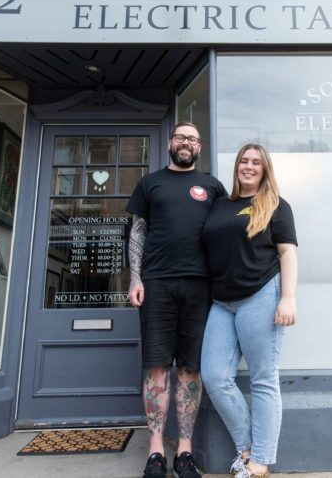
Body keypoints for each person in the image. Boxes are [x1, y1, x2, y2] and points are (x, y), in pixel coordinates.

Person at [127, 121, 228, 478]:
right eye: (180, 137)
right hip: (156, 284)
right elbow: (137, 233)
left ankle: (184, 451)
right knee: (156, 367)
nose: (186, 142)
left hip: (202, 288)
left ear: (198, 147)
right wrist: (135, 278)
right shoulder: (150, 183)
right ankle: (156, 451)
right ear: (170, 142)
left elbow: (226, 234)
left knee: (191, 369)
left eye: (192, 138)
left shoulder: (213, 187)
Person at [200, 144, 299, 478]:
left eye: (256, 162)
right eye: (244, 160)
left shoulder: (276, 205)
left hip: (261, 295)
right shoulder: (219, 205)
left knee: (263, 379)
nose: (249, 166)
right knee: (214, 376)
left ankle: (259, 462)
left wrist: (288, 297)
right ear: (237, 166)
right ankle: (245, 448)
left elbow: (287, 253)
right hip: (221, 302)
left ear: (265, 169)